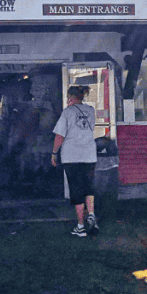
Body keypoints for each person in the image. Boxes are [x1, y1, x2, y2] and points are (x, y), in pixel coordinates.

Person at [51, 84, 98, 237]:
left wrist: (54, 153)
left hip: (72, 156)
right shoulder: (90, 110)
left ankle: (80, 226)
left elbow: (59, 136)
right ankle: (91, 214)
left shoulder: (68, 112)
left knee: (76, 189)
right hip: (89, 155)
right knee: (88, 186)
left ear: (70, 97)